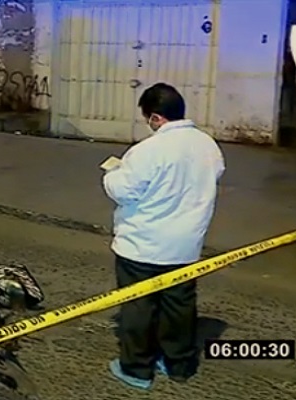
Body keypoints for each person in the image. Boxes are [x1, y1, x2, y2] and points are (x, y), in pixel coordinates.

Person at [102, 82, 225, 389]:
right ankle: (179, 364)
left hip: (142, 245)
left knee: (138, 307)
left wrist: (112, 174)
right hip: (185, 245)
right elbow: (214, 175)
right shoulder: (208, 145)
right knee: (179, 306)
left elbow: (124, 191)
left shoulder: (148, 150)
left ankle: (136, 369)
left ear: (156, 118)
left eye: (148, 119)